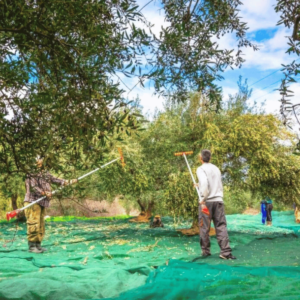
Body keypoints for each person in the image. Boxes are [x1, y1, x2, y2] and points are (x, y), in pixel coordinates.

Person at [24, 158, 78, 253]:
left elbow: (54, 179)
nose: (40, 161)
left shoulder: (44, 173)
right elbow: (33, 187)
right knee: (33, 223)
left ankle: (38, 244)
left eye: (40, 159)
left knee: (40, 224)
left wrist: (67, 182)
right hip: (32, 201)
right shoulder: (31, 173)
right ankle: (32, 246)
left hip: (41, 202)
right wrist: (44, 193)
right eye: (37, 159)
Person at [196, 149, 236, 260]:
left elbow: (205, 184)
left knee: (204, 226)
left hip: (207, 202)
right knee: (221, 226)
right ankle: (225, 252)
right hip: (218, 201)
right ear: (210, 158)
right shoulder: (216, 168)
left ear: (201, 158)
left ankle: (205, 252)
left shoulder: (201, 169)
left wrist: (202, 199)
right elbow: (214, 184)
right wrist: (199, 185)